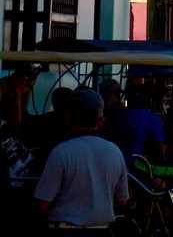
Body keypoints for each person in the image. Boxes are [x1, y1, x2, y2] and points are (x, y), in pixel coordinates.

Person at [34, 87, 129, 234]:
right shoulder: (115, 152)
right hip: (103, 229)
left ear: (68, 117)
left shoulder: (62, 152)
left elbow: (42, 203)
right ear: (100, 120)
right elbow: (122, 200)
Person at [106, 83, 165, 166]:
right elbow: (160, 148)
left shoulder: (117, 115)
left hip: (115, 162)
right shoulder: (153, 118)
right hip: (139, 167)